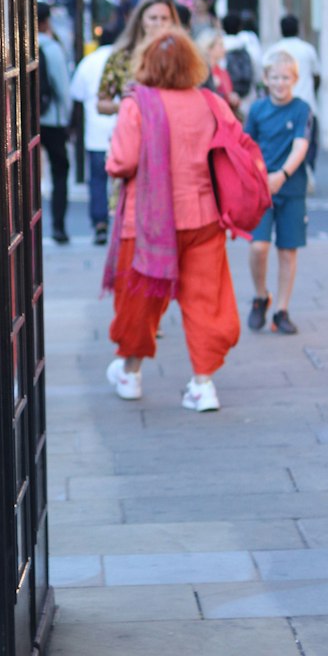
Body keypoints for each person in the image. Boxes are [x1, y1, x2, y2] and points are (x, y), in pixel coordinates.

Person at [103, 27, 241, 414]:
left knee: (140, 302)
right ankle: (203, 385)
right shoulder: (209, 102)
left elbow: (122, 161)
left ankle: (130, 373)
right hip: (202, 219)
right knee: (205, 302)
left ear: (146, 62)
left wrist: (110, 162)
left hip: (147, 223)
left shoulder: (137, 105)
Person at [244, 51, 312, 334]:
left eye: (285, 77)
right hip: (260, 188)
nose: (280, 83)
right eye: (275, 77)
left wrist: (282, 175)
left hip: (291, 188)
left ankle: (281, 310)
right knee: (259, 246)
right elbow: (246, 145)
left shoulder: (301, 109)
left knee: (287, 250)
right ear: (265, 79)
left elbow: (301, 145)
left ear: (294, 79)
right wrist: (258, 175)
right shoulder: (257, 110)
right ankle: (261, 296)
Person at [97, 0, 180, 115]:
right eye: (153, 18)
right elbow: (101, 104)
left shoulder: (181, 56)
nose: (159, 23)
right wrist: (127, 105)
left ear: (172, 22)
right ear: (141, 21)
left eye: (164, 18)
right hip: (134, 126)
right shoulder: (122, 56)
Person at [69, 39, 115, 245]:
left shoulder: (89, 62)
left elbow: (76, 96)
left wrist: (74, 130)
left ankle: (100, 224)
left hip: (96, 133)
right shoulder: (127, 61)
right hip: (125, 131)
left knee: (98, 180)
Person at [264, 15, 320, 172]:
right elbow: (317, 76)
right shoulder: (307, 49)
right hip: (307, 99)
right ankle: (306, 171)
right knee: (308, 141)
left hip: (281, 106)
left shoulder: (273, 50)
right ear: (298, 29)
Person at [37, 1, 72, 244]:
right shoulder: (52, 47)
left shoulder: (16, 45)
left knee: (24, 176)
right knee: (60, 171)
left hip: (24, 121)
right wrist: (68, 119)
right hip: (53, 119)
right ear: (47, 20)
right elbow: (63, 87)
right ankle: (58, 226)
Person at [221, 10, 259, 113]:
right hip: (247, 98)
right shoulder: (248, 45)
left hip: (226, 100)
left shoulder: (219, 47)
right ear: (240, 27)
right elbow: (257, 73)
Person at [198, 29, 242, 114]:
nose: (224, 49)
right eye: (220, 45)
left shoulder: (223, 72)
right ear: (208, 48)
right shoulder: (201, 73)